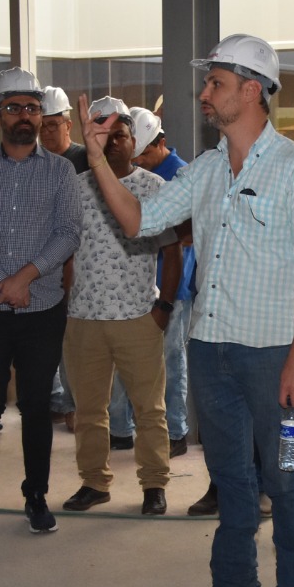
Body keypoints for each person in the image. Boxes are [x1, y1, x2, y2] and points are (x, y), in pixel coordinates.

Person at [79, 33, 294, 587]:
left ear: (251, 90)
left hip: (274, 357)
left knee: (286, 477)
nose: (203, 93)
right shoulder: (208, 169)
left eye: (215, 83)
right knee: (230, 475)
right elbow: (141, 221)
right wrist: (96, 161)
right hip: (211, 351)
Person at [0, 67, 80, 540]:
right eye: (14, 108)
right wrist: (2, 283)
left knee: (37, 407)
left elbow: (68, 232)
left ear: (41, 115)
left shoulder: (62, 171)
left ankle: (36, 498)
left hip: (42, 308)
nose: (24, 116)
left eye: (32, 107)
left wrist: (24, 278)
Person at [60, 96, 180, 517]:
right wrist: (66, 308)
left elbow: (172, 253)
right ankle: (94, 483)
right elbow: (67, 254)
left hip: (137, 318)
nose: (112, 142)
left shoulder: (154, 188)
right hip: (83, 319)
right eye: (103, 133)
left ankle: (154, 485)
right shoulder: (75, 188)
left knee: (150, 409)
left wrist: (163, 307)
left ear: (133, 139)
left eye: (120, 134)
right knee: (90, 411)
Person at [108, 106, 194, 458]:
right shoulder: (126, 176)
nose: (138, 160)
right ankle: (122, 429)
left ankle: (176, 432)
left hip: (174, 289)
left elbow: (186, 237)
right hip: (133, 288)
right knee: (126, 361)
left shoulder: (184, 176)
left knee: (170, 361)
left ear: (161, 143)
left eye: (144, 153)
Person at [41, 84, 87, 433]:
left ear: (68, 124)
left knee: (74, 343)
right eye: (42, 125)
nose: (46, 132)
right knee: (48, 342)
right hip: (43, 267)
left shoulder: (85, 160)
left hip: (80, 266)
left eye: (53, 125)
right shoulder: (35, 164)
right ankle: (57, 400)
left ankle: (75, 403)